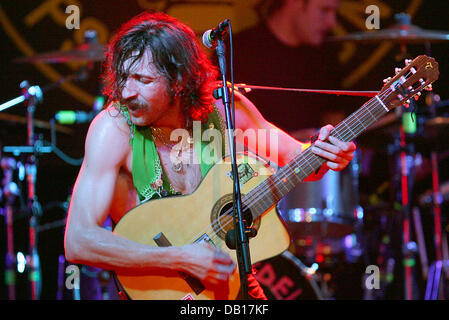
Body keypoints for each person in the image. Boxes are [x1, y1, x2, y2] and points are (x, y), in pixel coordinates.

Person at [63, 11, 356, 300]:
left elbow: (298, 159)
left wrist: (326, 153)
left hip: (232, 284)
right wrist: (180, 258)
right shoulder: (113, 129)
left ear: (177, 80)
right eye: (124, 77)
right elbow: (78, 241)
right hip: (159, 293)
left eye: (142, 79)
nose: (126, 92)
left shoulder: (224, 108)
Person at [230, 0, 346, 135]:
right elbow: (221, 128)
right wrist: (291, 143)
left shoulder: (326, 54)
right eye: (324, 10)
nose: (332, 22)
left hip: (314, 154)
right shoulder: (238, 50)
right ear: (294, 3)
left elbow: (334, 117)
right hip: (254, 154)